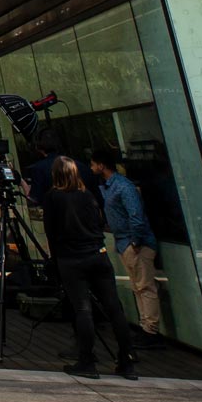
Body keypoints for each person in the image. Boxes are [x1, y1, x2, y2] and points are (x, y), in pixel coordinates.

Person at [42, 155, 136, 380]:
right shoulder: (87, 195)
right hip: (97, 253)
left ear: (55, 175)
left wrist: (55, 261)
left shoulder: (53, 197)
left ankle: (87, 360)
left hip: (71, 258)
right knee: (114, 308)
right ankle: (127, 360)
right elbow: (99, 221)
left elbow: (51, 232)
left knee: (83, 309)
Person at [88, 147, 162, 345]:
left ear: (101, 165)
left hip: (134, 242)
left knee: (144, 286)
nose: (92, 168)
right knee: (138, 286)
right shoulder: (109, 186)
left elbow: (136, 215)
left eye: (93, 164)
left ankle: (150, 330)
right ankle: (145, 326)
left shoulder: (123, 186)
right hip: (125, 242)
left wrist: (135, 241)